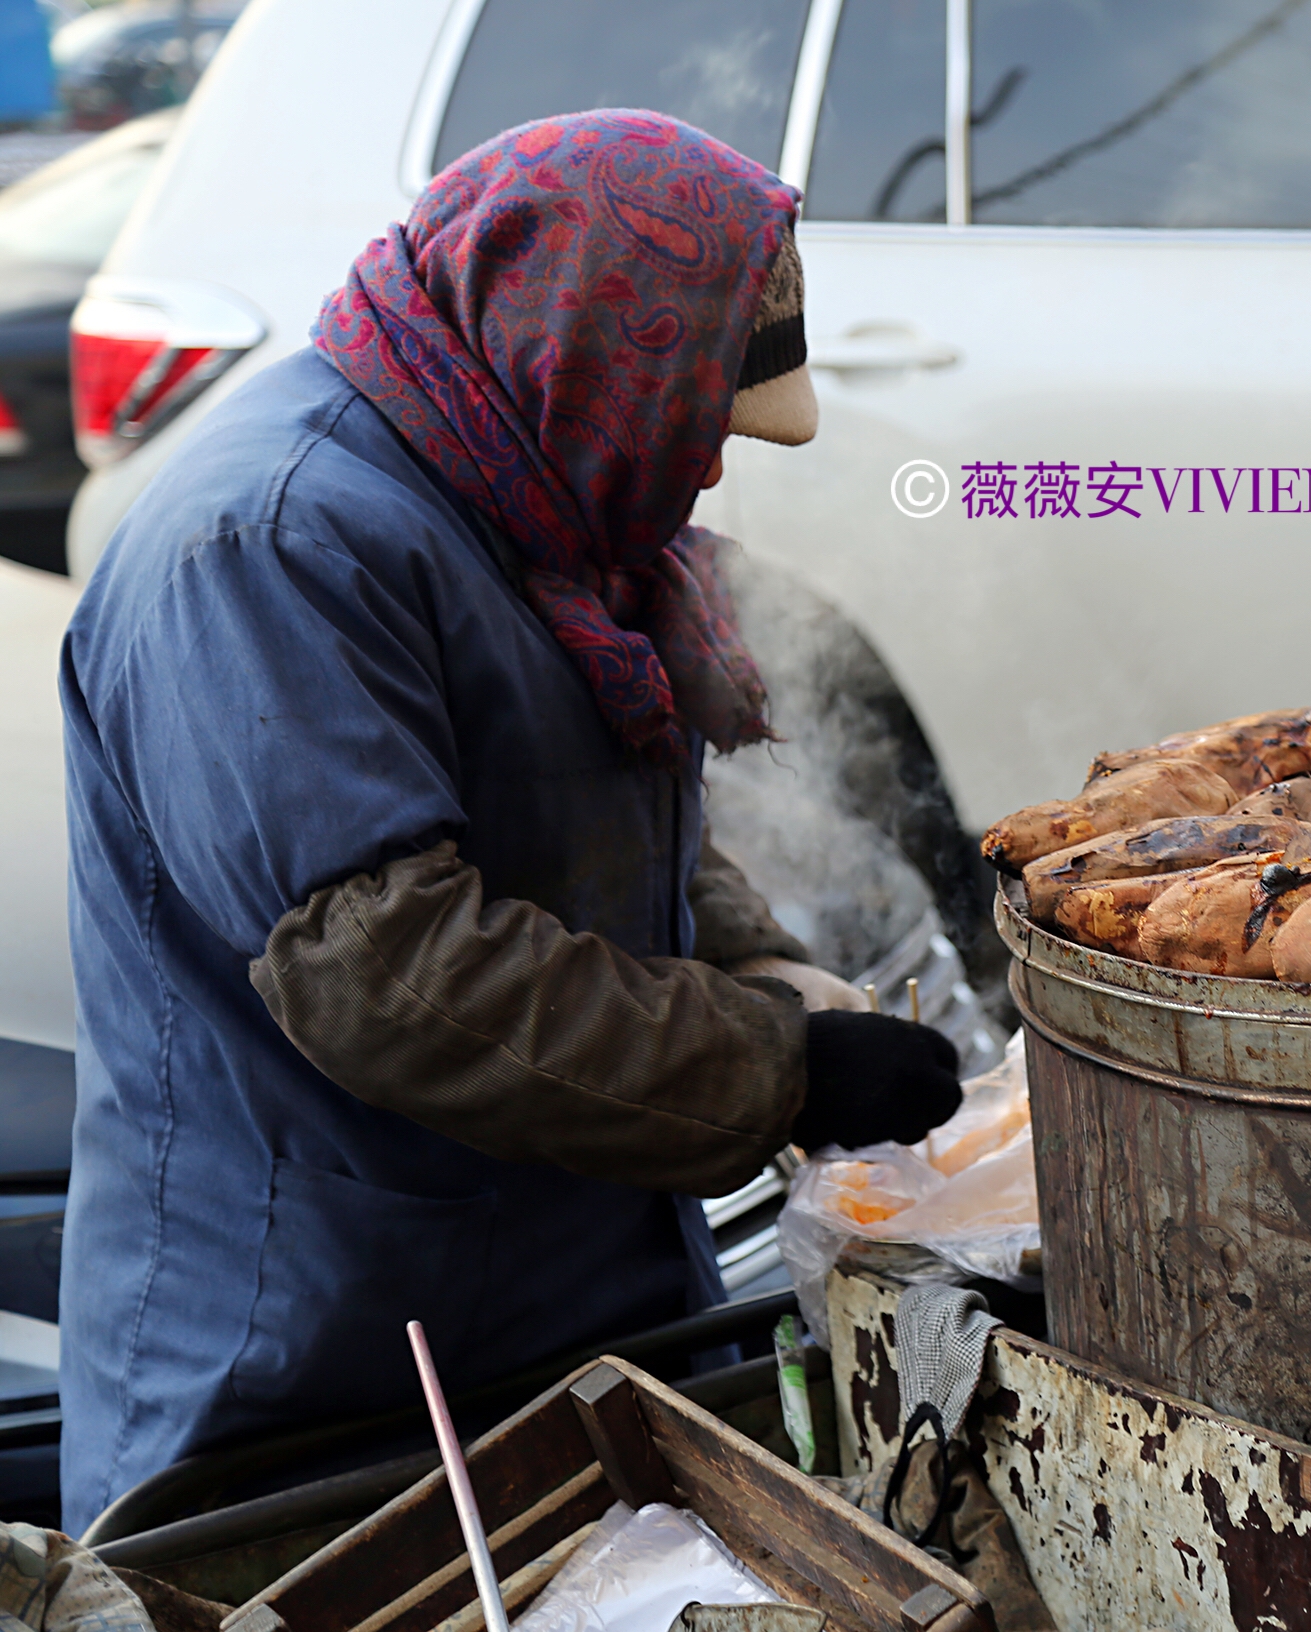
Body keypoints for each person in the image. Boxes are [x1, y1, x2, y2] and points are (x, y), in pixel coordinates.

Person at [55, 112, 964, 1531]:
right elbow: (395, 974)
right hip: (325, 1377)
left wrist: (753, 958)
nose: (713, 473)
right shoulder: (275, 544)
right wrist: (776, 1071)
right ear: (582, 353)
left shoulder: (525, 477)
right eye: (703, 427)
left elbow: (595, 802)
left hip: (571, 1304)